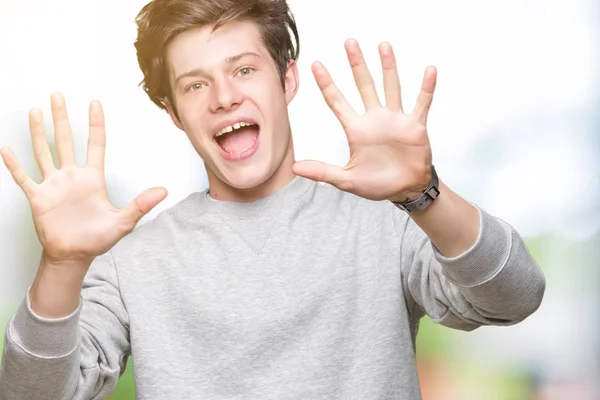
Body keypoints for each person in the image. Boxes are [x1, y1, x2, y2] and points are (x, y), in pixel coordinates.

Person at [0, 0, 545, 398]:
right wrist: (63, 264)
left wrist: (423, 195)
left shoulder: (385, 223)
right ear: (174, 113)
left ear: (286, 80)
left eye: (243, 69)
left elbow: (515, 296)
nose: (224, 97)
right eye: (195, 84)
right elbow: (33, 395)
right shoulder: (132, 264)